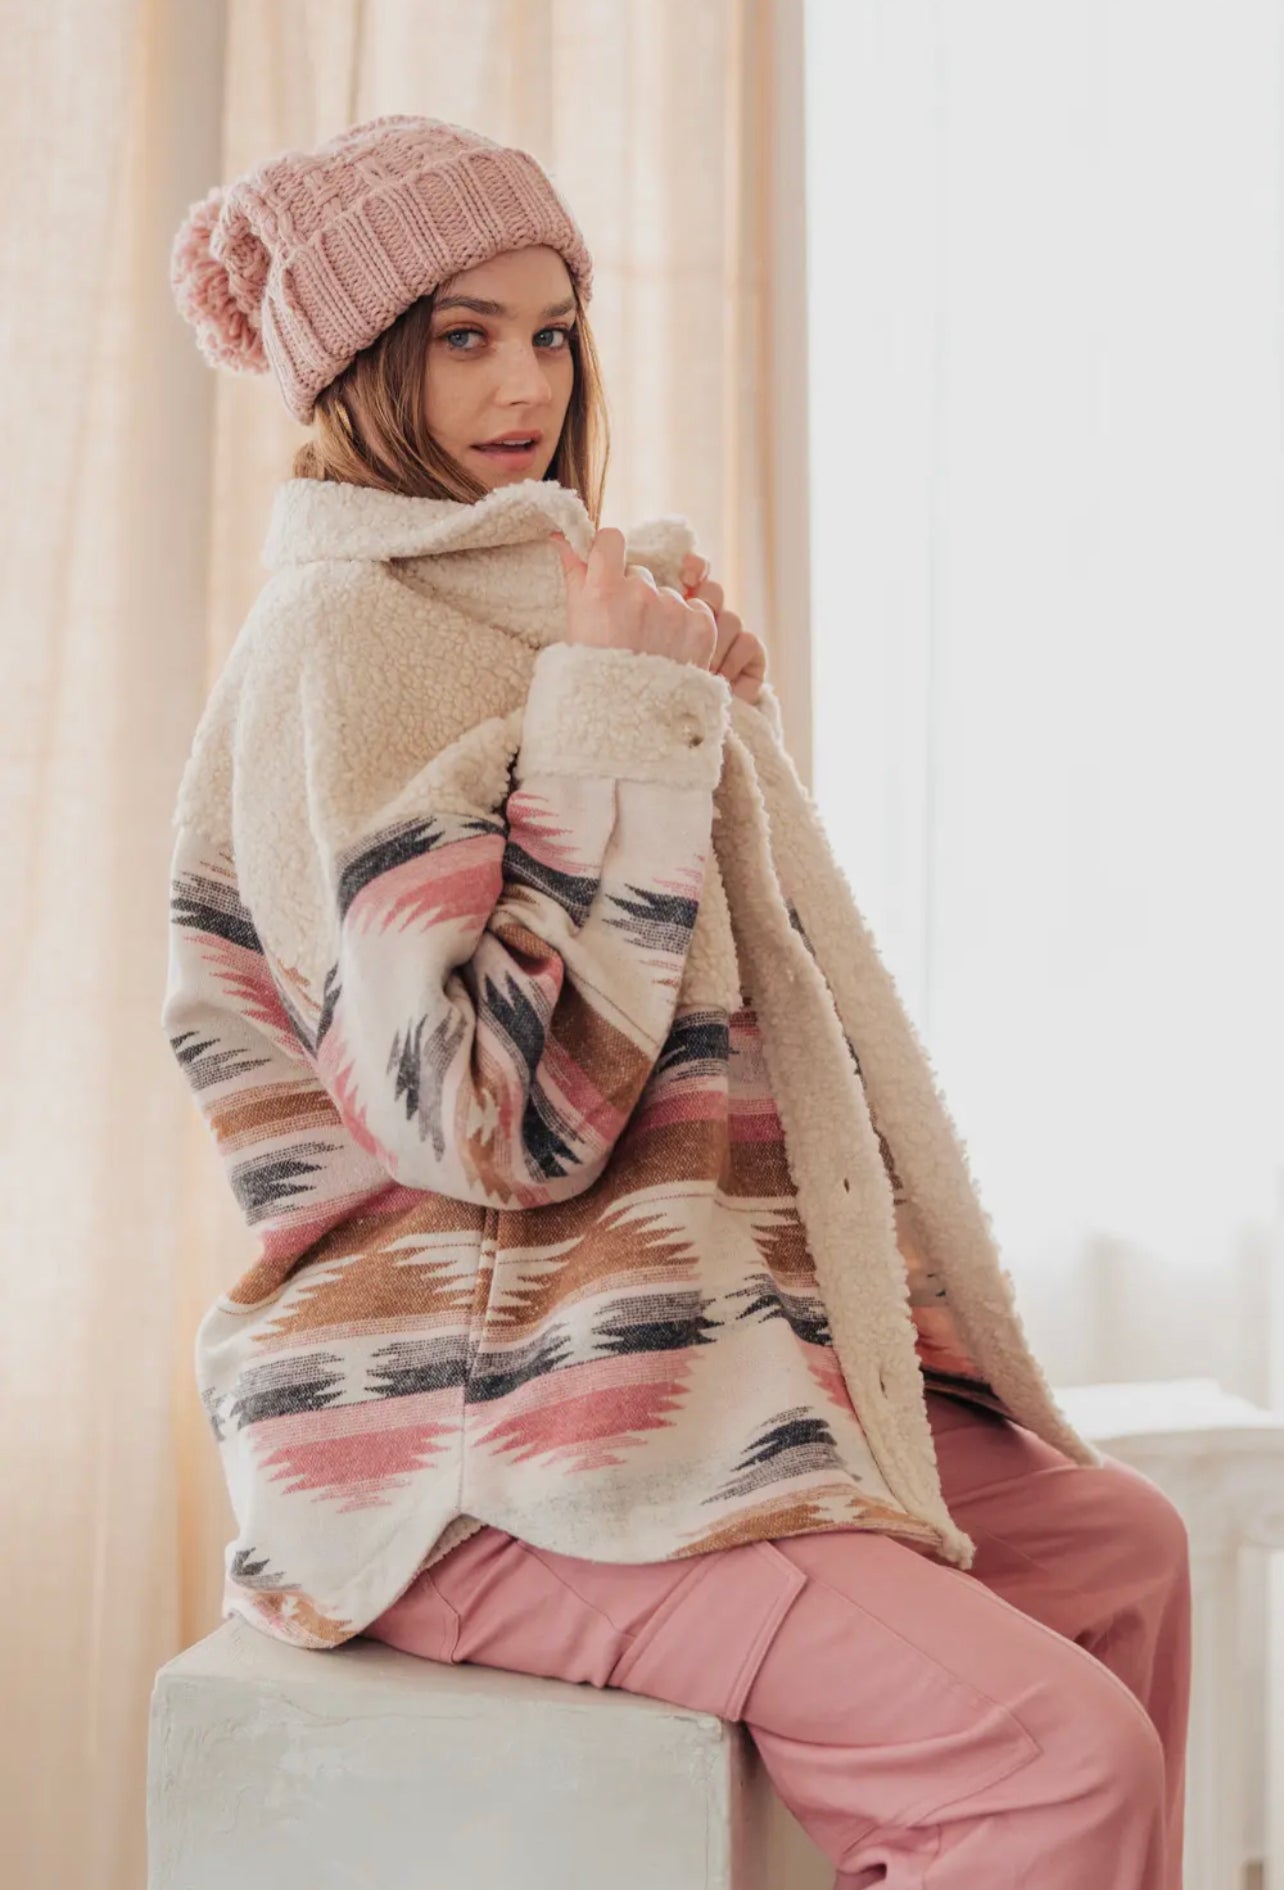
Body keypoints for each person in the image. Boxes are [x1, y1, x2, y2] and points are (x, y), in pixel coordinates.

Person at [164, 114, 1190, 1889]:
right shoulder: (344, 636)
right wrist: (621, 719)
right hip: (469, 1433)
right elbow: (484, 1119)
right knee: (1055, 1764)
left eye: (551, 332)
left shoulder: (539, 598)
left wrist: (702, 711)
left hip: (679, 1345)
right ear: (364, 364)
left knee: (1121, 1548)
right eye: (463, 336)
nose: (525, 384)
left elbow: (724, 1020)